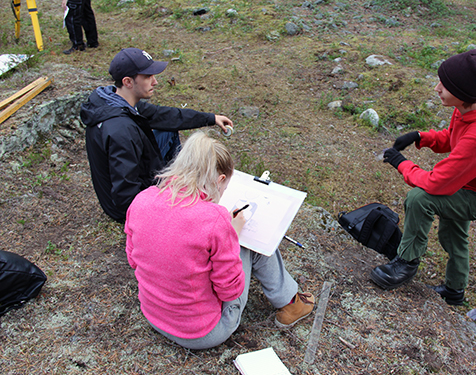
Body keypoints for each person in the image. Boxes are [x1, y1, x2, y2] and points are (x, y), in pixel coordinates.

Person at [124, 131, 315, 349]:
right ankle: (291, 303)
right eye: (225, 188)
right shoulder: (214, 219)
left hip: (154, 317)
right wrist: (232, 236)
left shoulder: (142, 199)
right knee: (249, 242)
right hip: (202, 333)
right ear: (220, 179)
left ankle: (289, 299)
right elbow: (230, 291)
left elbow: (133, 259)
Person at [370, 49, 476, 305]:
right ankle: (454, 292)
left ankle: (406, 263)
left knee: (419, 198)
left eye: (445, 85)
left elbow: (437, 183)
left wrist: (402, 164)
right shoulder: (468, 108)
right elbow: (452, 138)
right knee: (452, 235)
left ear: (462, 92)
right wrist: (420, 137)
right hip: (464, 184)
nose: (437, 88)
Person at [80, 48, 233, 223]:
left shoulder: (117, 101)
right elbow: (125, 194)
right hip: (125, 207)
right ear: (128, 81)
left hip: (132, 178)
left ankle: (175, 182)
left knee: (167, 128)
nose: (156, 82)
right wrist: (163, 208)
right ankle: (178, 189)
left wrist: (211, 118)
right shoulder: (120, 131)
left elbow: (167, 116)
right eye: (147, 77)